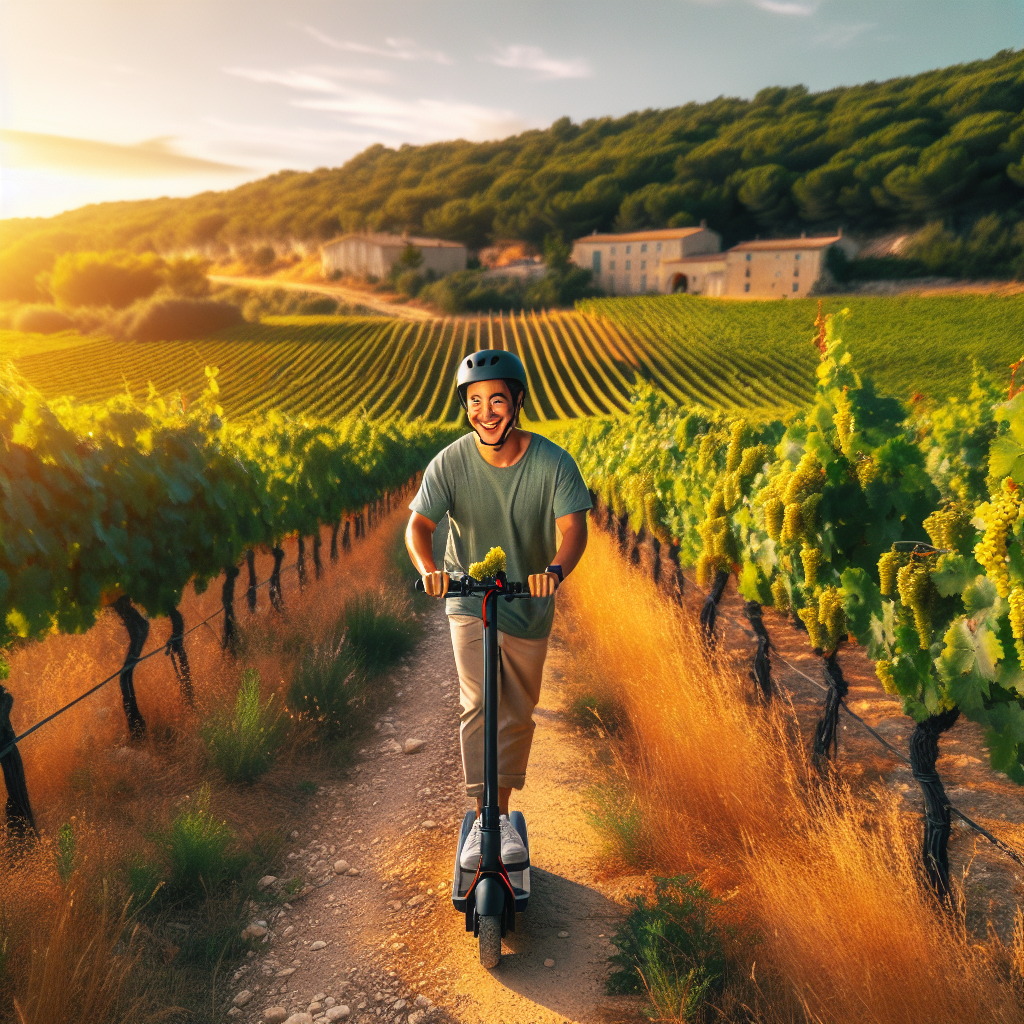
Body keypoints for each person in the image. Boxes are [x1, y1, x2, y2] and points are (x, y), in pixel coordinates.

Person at [405, 349, 591, 868]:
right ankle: (488, 820)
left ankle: (504, 813)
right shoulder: (451, 461)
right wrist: (428, 570)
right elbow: (418, 526)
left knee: (516, 712)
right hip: (468, 599)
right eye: (476, 401)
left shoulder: (553, 462)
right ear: (466, 406)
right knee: (478, 702)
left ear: (518, 403)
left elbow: (573, 528)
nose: (486, 412)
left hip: (528, 603)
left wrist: (552, 571)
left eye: (497, 401)